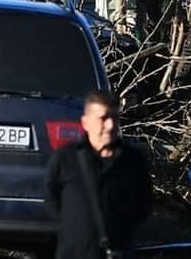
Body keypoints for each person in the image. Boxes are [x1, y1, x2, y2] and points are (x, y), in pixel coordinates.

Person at [46, 90, 152, 259]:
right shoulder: (65, 159)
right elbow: (52, 200)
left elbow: (143, 204)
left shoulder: (133, 161)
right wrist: (76, 228)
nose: (110, 125)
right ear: (86, 122)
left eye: (114, 118)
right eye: (103, 119)